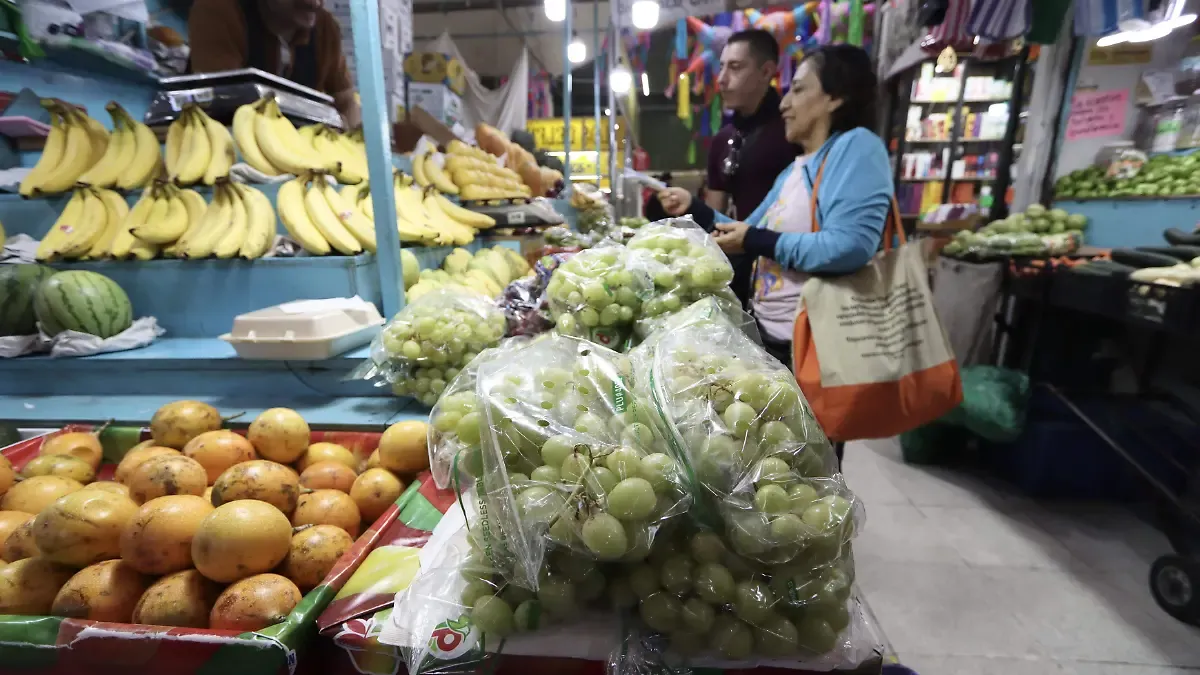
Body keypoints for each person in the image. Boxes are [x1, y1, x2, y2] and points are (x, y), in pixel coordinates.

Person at [659, 45, 893, 466]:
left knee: (808, 476)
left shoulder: (857, 148)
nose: (784, 103)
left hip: (815, 354)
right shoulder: (796, 169)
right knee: (767, 471)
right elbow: (747, 232)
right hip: (772, 347)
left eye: (798, 90)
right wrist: (694, 208)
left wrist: (756, 239)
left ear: (835, 98)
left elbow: (852, 245)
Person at [661, 29, 800, 308]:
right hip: (740, 274)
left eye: (735, 67)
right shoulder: (723, 139)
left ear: (767, 71)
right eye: (721, 67)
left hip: (790, 277)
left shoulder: (793, 132)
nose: (722, 79)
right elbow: (716, 222)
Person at [188, 0, 362, 127]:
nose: (314, 3)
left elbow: (347, 103)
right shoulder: (219, 11)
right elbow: (220, 103)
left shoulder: (325, 28)